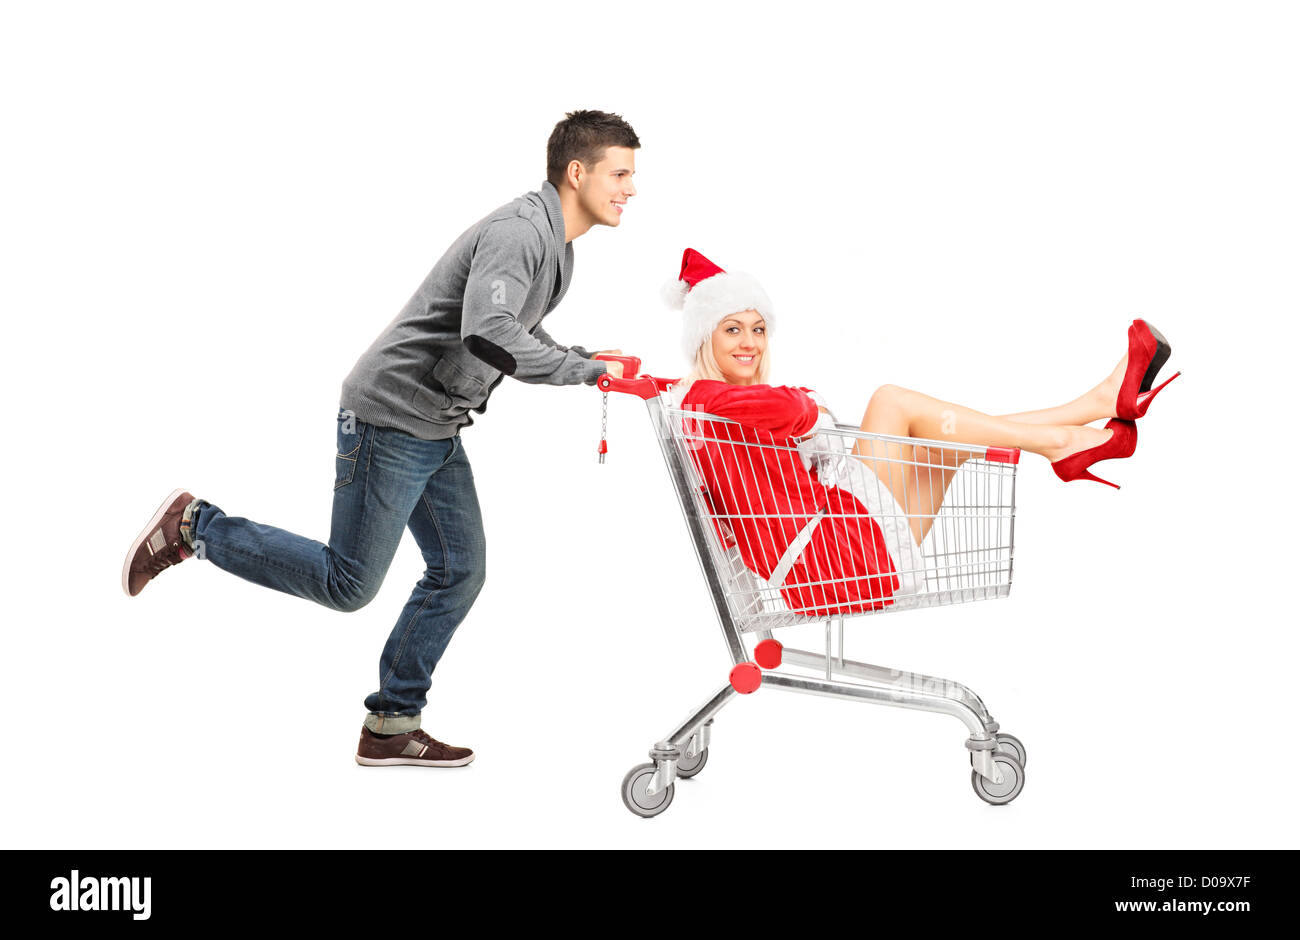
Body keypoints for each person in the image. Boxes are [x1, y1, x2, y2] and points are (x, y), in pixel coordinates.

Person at [122, 110, 641, 767]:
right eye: (619, 173)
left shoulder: (556, 249)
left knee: (459, 570)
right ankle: (197, 528)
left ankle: (392, 724)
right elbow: (489, 333)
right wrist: (586, 371)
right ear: (577, 172)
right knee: (349, 583)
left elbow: (509, 330)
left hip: (435, 422)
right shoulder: (520, 234)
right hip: (392, 416)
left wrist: (584, 356)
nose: (629, 188)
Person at [660, 248, 1180, 617]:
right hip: (829, 559)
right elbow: (791, 408)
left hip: (834, 555)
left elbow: (775, 409)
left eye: (757, 329)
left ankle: (1084, 414)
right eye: (732, 329)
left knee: (943, 446)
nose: (749, 342)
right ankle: (1071, 433)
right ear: (705, 336)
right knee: (891, 401)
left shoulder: (704, 400)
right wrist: (810, 407)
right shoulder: (711, 398)